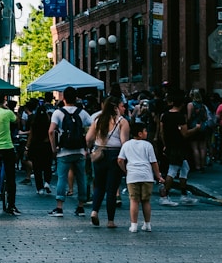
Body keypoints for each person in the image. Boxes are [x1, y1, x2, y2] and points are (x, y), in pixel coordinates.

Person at [85, 95, 128, 228]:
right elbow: (124, 143)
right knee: (112, 188)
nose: (124, 108)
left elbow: (88, 138)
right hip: (115, 154)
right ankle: (110, 220)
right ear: (115, 108)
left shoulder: (98, 120)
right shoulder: (122, 122)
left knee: (99, 185)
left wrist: (92, 148)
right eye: (122, 105)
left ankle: (94, 211)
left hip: (99, 153)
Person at [48, 87, 91, 216]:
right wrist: (87, 145)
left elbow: (51, 131)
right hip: (79, 151)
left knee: (62, 178)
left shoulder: (58, 113)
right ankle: (81, 206)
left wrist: (54, 148)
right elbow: (92, 125)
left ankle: (60, 207)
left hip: (64, 151)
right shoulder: (82, 113)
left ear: (64, 98)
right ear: (76, 98)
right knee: (81, 177)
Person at [118, 118, 163, 232]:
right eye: (145, 131)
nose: (146, 133)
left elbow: (120, 160)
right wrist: (158, 175)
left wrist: (125, 170)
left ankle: (133, 225)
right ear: (140, 133)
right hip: (146, 175)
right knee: (146, 200)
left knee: (134, 200)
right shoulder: (148, 145)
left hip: (132, 175)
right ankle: (147, 224)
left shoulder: (126, 145)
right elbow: (153, 162)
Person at [159, 91, 196, 205]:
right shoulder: (180, 117)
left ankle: (183, 194)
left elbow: (161, 132)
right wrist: (196, 129)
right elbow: (185, 133)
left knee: (185, 168)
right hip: (179, 146)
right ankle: (165, 196)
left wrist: (165, 144)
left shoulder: (164, 115)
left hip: (170, 144)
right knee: (173, 170)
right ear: (182, 104)